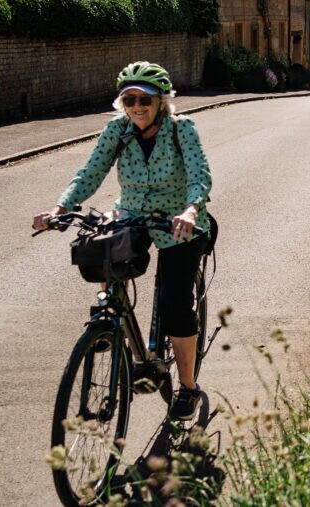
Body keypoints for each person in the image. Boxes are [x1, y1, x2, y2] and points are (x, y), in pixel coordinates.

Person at [32, 61, 213, 421]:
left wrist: (192, 209)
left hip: (178, 222)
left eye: (145, 99)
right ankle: (111, 317)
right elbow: (91, 171)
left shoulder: (182, 130)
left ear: (161, 101)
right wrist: (59, 208)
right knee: (100, 247)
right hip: (132, 213)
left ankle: (188, 387)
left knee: (176, 303)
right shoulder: (118, 131)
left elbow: (200, 175)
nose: (137, 107)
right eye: (129, 100)